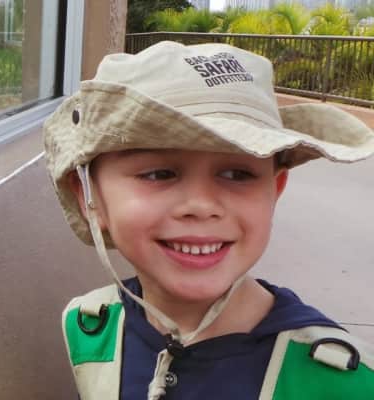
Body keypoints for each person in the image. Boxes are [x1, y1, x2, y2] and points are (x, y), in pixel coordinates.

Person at [43, 41, 374, 400]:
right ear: (88, 196)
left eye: (237, 174)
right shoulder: (89, 326)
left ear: (274, 191)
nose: (201, 206)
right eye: (158, 174)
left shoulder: (343, 382)